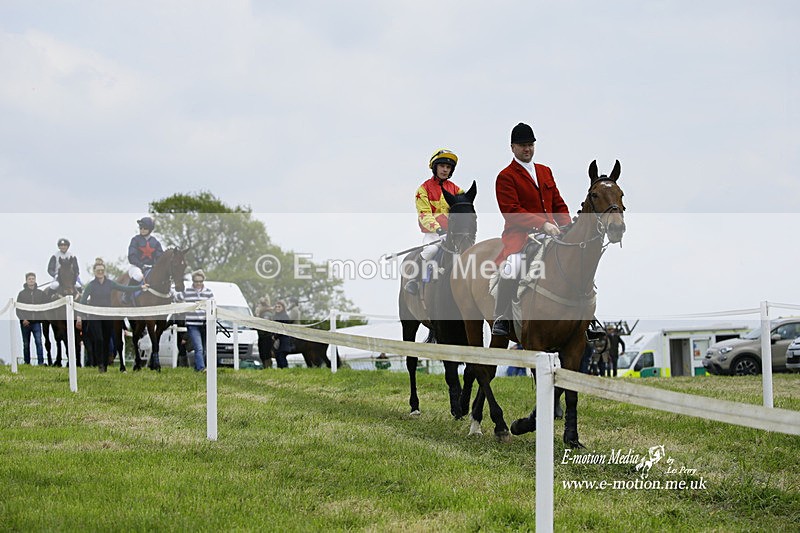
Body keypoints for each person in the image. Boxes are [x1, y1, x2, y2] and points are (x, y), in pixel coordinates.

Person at [491, 123, 572, 336]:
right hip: (521, 235)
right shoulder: (505, 176)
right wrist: (541, 224)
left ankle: (585, 318)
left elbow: (558, 204)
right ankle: (502, 317)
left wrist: (566, 225)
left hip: (553, 233)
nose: (527, 149)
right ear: (512, 147)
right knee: (512, 265)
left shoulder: (545, 171)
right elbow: (511, 211)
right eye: (522, 145)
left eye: (530, 145)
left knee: (574, 261)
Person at [404, 148, 465, 295]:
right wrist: (439, 229)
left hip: (453, 235)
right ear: (434, 167)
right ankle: (414, 280)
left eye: (448, 167)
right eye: (442, 166)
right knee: (431, 250)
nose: (445, 170)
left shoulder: (457, 190)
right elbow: (424, 215)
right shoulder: (423, 189)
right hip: (433, 234)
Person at [78, 262, 143, 372]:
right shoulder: (91, 285)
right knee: (99, 339)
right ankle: (100, 364)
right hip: (95, 316)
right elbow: (83, 300)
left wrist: (140, 287)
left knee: (107, 340)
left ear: (104, 271)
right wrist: (79, 316)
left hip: (107, 316)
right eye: (98, 270)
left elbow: (125, 289)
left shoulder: (110, 283)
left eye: (102, 270)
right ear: (94, 272)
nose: (100, 272)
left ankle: (105, 364)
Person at [173, 270, 214, 372]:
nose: (198, 283)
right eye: (196, 281)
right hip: (193, 324)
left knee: (204, 349)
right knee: (198, 347)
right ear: (193, 281)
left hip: (205, 324)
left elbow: (213, 306)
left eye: (200, 281)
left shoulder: (208, 292)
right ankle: (201, 368)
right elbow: (176, 297)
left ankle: (197, 367)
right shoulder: (187, 292)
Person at [16, 272, 47, 365]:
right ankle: (27, 362)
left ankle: (41, 362)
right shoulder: (21, 294)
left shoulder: (40, 294)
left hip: (36, 323)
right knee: (26, 344)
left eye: (33, 279)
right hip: (25, 323)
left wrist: (40, 319)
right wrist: (23, 319)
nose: (31, 280)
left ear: (35, 280)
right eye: (29, 279)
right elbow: (18, 309)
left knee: (39, 342)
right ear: (26, 281)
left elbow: (44, 307)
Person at [127, 216, 164, 285]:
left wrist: (155, 265)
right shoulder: (135, 240)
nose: (142, 230)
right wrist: (141, 265)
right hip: (136, 267)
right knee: (138, 276)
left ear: (150, 229)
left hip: (151, 268)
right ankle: (127, 295)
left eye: (145, 228)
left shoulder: (155, 242)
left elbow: (159, 257)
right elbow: (132, 256)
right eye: (141, 228)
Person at [254, 294, 274, 368]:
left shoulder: (266, 314)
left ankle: (268, 368)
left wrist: (257, 315)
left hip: (266, 337)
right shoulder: (261, 314)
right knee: (262, 354)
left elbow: (265, 327)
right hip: (262, 336)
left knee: (266, 354)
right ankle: (265, 367)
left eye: (259, 305)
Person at [271, 300, 293, 369]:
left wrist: (275, 336)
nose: (277, 308)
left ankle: (285, 371)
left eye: (279, 307)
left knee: (282, 358)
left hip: (284, 341)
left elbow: (283, 329)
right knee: (278, 357)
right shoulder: (275, 316)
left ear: (283, 307)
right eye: (276, 306)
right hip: (278, 341)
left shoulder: (285, 316)